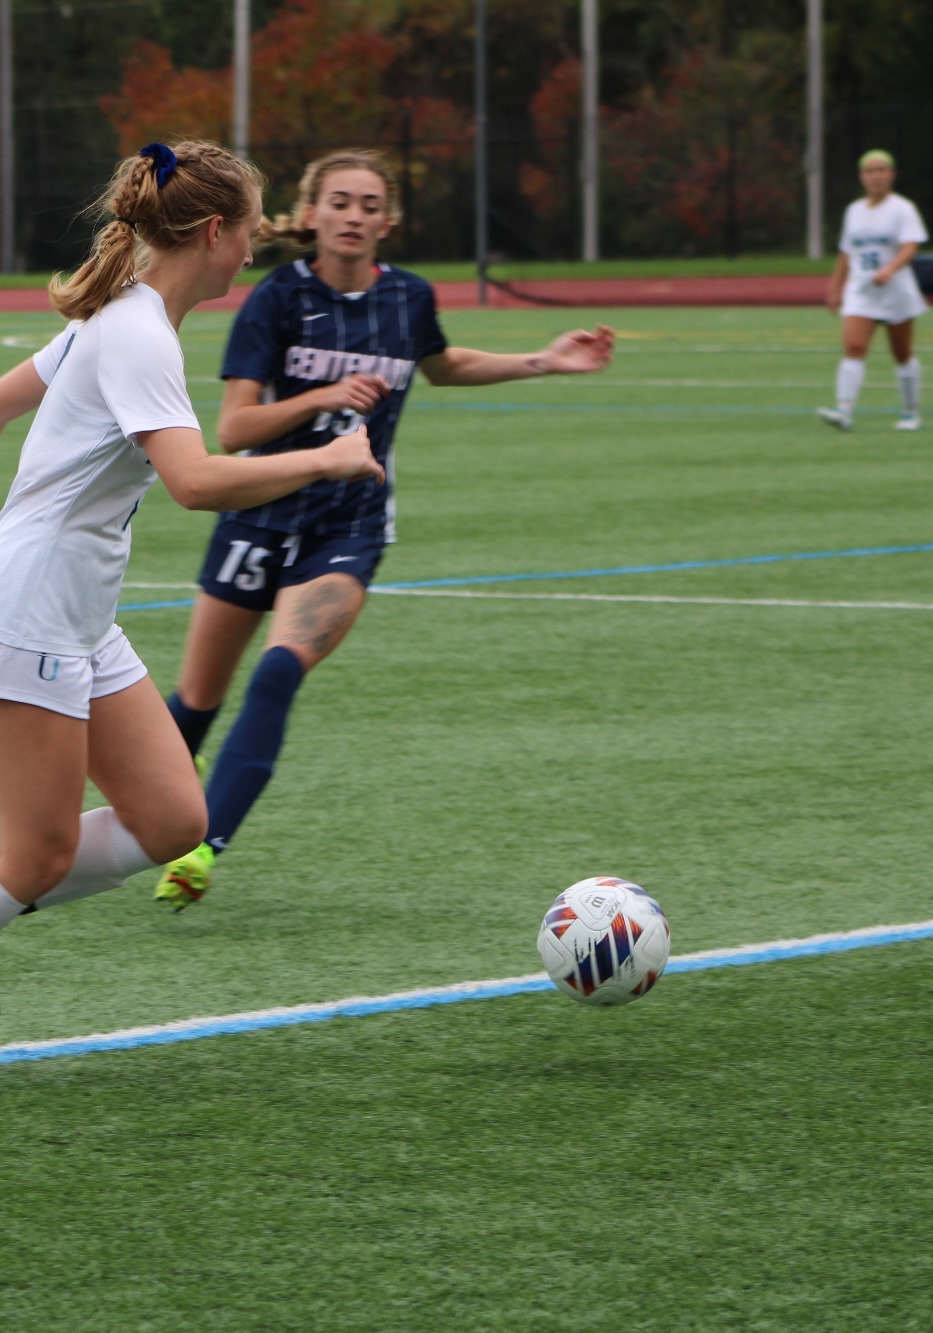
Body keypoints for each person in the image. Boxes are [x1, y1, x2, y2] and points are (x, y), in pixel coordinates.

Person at [0, 140, 385, 1083]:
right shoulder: (137, 332)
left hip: (79, 618)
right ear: (213, 231)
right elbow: (196, 483)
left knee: (174, 820)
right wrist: (329, 458)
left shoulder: (126, 313)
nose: (254, 246)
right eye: (248, 229)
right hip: (29, 615)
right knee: (34, 850)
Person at [150, 149, 615, 909]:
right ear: (313, 214)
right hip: (260, 513)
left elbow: (440, 363)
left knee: (276, 672)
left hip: (349, 524)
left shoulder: (407, 299)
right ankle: (138, 823)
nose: (354, 216)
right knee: (195, 702)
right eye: (340, 201)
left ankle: (204, 849)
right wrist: (321, 397)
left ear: (387, 222)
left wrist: (545, 360)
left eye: (369, 205)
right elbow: (234, 428)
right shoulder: (275, 298)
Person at [818, 150, 927, 433]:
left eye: (882, 170)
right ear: (862, 176)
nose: (876, 176)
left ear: (892, 174)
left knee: (902, 352)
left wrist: (890, 269)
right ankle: (844, 410)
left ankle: (910, 412)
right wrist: (835, 287)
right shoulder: (853, 211)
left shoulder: (903, 208)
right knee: (854, 347)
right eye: (870, 171)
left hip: (896, 292)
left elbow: (910, 246)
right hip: (862, 291)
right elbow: (846, 252)